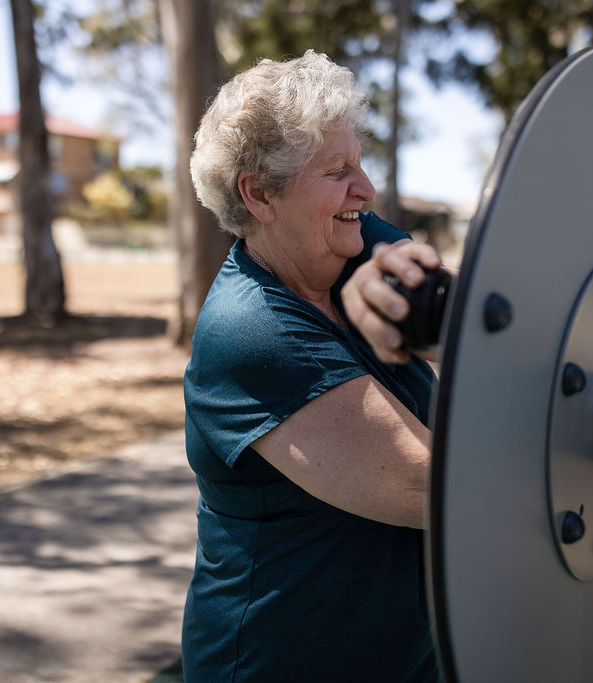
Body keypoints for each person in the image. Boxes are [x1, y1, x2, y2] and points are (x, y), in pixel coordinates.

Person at [182, 50, 446, 682]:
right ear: (260, 194)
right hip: (282, 662)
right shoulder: (255, 330)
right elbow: (435, 489)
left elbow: (453, 301)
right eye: (337, 170)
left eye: (360, 162)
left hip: (406, 658)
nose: (366, 188)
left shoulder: (346, 246)